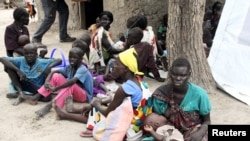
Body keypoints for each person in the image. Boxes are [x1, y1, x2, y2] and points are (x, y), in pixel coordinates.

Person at [78, 48, 144, 140]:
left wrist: (96, 104)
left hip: (129, 125)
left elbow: (106, 113)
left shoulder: (123, 89)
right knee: (100, 102)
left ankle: (91, 128)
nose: (114, 67)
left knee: (96, 110)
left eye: (117, 64)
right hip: (138, 120)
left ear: (126, 68)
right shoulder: (138, 80)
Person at [151, 57, 211, 141]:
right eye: (175, 74)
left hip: (192, 130)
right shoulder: (161, 94)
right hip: (169, 130)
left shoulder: (199, 94)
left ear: (189, 74)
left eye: (182, 75)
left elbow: (207, 121)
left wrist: (200, 133)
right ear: (170, 73)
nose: (178, 78)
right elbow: (156, 120)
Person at [30, 47, 93, 118]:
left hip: (84, 96)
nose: (72, 59)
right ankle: (38, 96)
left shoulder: (82, 69)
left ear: (81, 59)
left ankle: (50, 105)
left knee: (70, 84)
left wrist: (57, 88)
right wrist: (47, 80)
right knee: (56, 76)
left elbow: (72, 81)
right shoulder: (70, 67)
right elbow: (55, 71)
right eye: (70, 57)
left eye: (75, 58)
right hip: (72, 93)